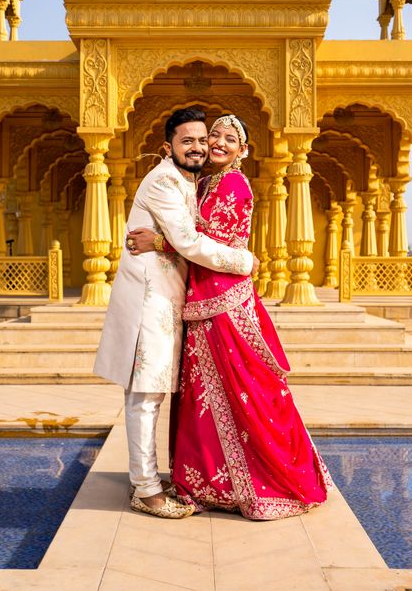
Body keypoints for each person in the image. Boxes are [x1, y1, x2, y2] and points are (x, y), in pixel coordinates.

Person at [132, 114, 331, 520]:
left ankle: (254, 480)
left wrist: (163, 241)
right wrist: (165, 239)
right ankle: (210, 481)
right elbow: (191, 239)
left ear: (243, 151)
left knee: (243, 389)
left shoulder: (234, 183)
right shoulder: (200, 182)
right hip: (201, 296)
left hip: (224, 298)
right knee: (205, 395)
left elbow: (207, 241)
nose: (217, 143)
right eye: (213, 136)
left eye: (228, 139)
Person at [92, 107, 258, 519]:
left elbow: (182, 238)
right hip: (151, 298)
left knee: (151, 392)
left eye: (204, 140)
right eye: (189, 141)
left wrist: (162, 241)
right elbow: (189, 241)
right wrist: (245, 262)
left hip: (168, 298)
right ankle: (146, 491)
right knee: (146, 395)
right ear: (169, 147)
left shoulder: (193, 181)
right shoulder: (166, 180)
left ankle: (147, 476)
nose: (201, 147)